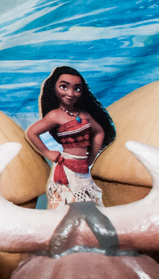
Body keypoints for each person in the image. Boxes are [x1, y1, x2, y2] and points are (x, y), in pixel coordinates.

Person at [25, 65, 115, 209]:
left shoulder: (84, 114)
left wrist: (91, 155)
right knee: (65, 207)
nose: (70, 93)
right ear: (54, 88)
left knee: (90, 207)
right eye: (64, 87)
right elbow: (32, 132)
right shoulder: (55, 115)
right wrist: (48, 152)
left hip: (83, 169)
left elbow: (99, 132)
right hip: (66, 169)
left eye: (77, 89)